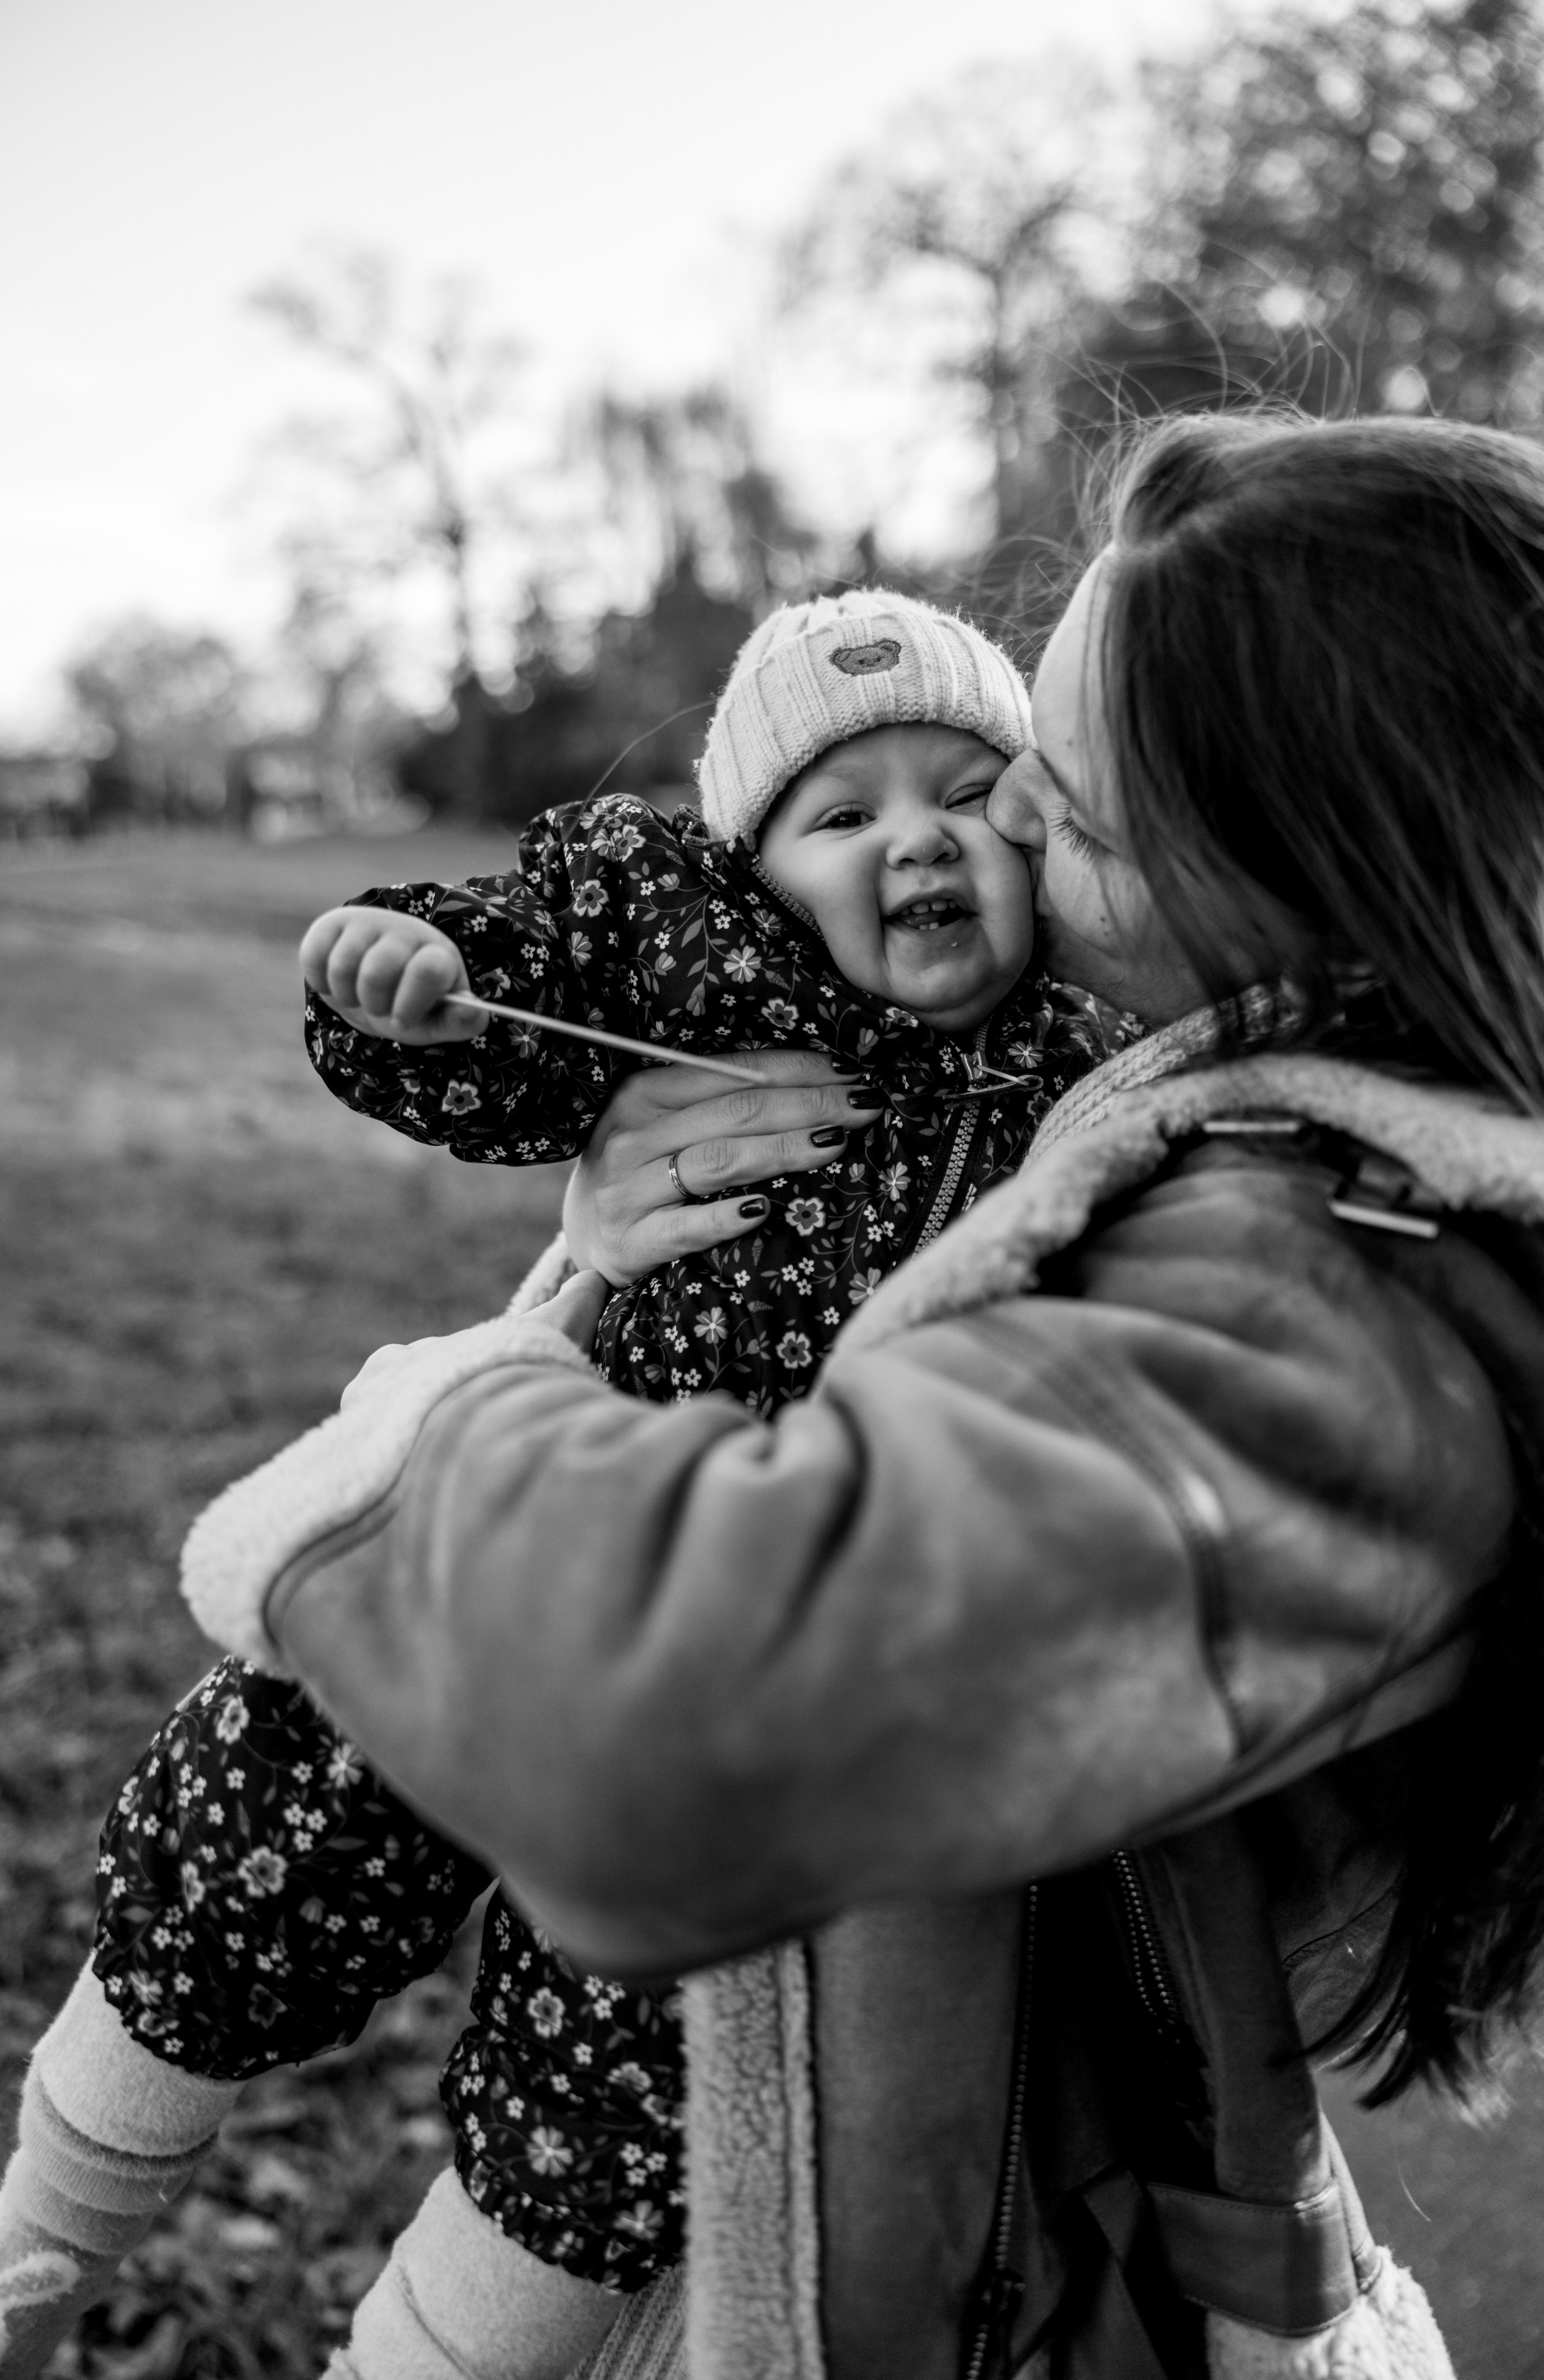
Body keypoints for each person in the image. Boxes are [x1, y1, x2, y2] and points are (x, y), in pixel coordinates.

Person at [174, 411, 1544, 2379]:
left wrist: (453, 1411)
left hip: (1046, 2258)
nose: (989, 833)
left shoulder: (1330, 1294)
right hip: (973, 2170)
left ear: (1305, 877)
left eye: (1060, 801)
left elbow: (717, 1703)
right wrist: (645, 1200)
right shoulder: (1297, 1125)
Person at [0, 596, 1130, 2380]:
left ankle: (423, 2357)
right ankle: (41, 2234)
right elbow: (499, 1009)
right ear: (756, 865)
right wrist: (401, 978)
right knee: (274, 1824)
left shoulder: (1089, 1062)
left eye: (969, 787)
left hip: (746, 1670)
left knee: (633, 2077)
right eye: (842, 815)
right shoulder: (688, 959)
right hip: (537, 1519)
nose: (914, 834)